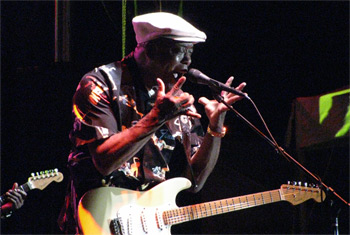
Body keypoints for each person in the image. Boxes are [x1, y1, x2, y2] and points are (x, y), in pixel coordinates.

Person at [58, 12, 247, 233]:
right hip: (96, 219)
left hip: (146, 224)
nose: (188, 61)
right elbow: (105, 162)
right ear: (149, 50)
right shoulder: (101, 83)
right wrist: (157, 117)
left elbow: (195, 182)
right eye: (179, 51)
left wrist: (215, 127)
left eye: (190, 52)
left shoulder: (178, 98)